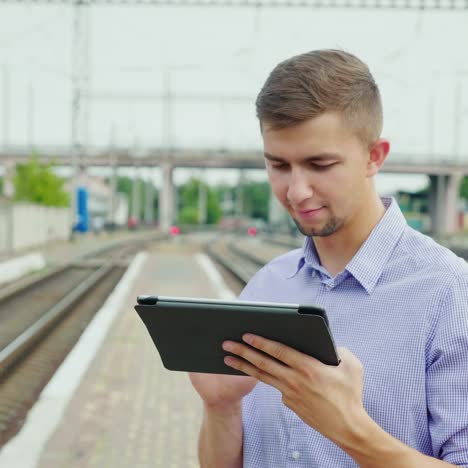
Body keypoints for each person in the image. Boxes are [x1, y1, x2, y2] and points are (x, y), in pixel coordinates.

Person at [189, 49, 468, 467]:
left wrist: (348, 429)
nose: (296, 191)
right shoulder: (266, 285)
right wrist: (220, 409)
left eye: (319, 164)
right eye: (278, 165)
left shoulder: (450, 292)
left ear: (375, 156)